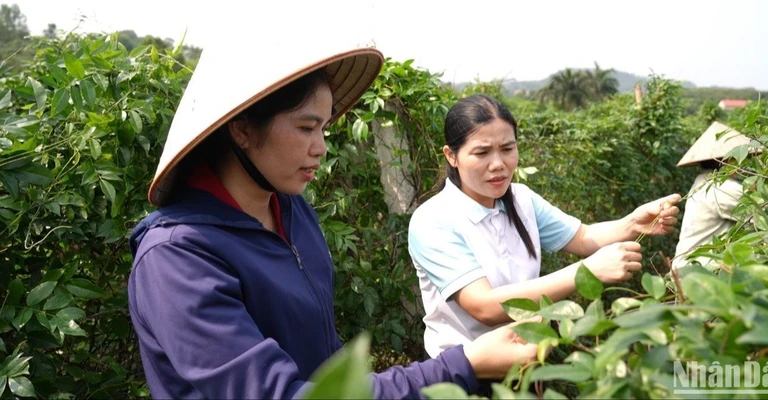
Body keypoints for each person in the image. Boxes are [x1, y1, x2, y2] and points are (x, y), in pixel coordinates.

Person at [126, 28, 541, 399]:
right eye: (307, 128)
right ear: (243, 129)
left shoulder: (291, 211)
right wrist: (464, 365)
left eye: (324, 128)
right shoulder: (177, 257)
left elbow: (322, 359)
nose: (321, 147)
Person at [408, 94, 681, 358]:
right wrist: (587, 271)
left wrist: (633, 223)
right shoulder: (433, 220)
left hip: (528, 360)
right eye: (482, 152)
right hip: (464, 373)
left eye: (507, 149)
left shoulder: (521, 199)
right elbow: (484, 306)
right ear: (451, 156)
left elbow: (583, 237)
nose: (498, 164)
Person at [671, 121, 747, 269]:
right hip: (700, 271)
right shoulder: (723, 187)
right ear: (728, 160)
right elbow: (762, 220)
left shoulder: (702, 181)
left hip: (685, 269)